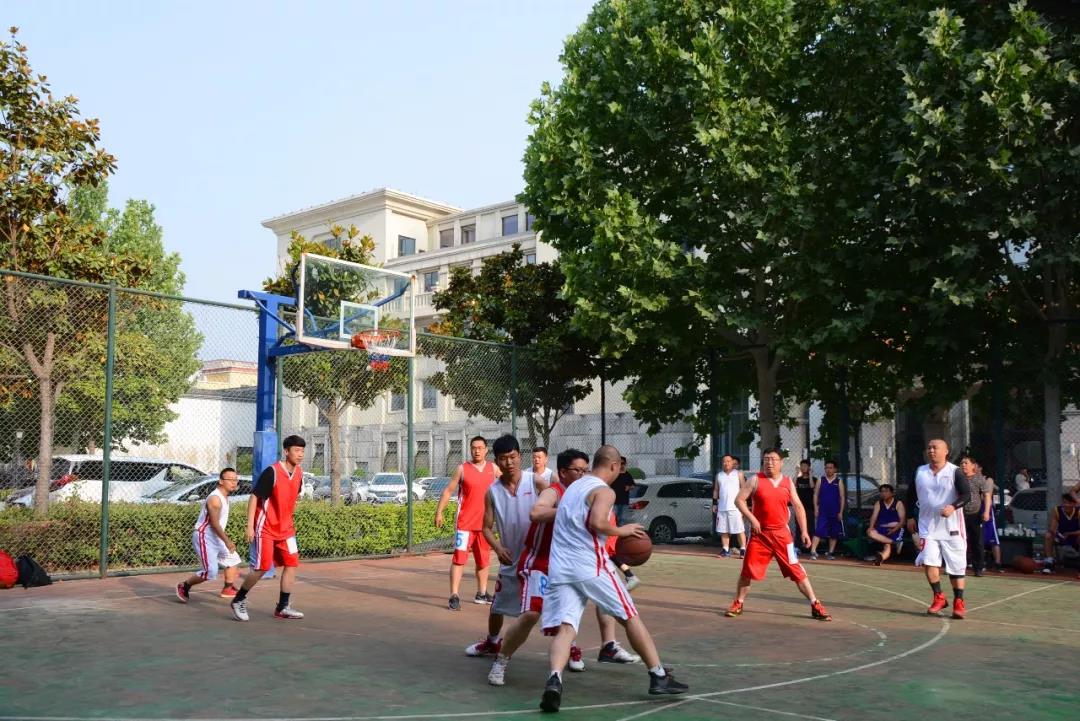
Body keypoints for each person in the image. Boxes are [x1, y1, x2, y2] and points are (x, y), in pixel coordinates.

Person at [538, 445, 688, 712]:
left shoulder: (573, 487)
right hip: (590, 566)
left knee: (567, 628)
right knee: (630, 616)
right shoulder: (604, 491)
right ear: (615, 466)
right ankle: (658, 676)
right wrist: (623, 530)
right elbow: (597, 522)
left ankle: (554, 680)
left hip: (561, 567)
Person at [487, 448, 639, 687]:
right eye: (577, 470)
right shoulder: (555, 491)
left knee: (586, 604)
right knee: (531, 614)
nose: (582, 475)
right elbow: (536, 512)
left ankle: (605, 644)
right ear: (563, 472)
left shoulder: (592, 493)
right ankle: (501, 660)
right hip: (539, 562)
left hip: (569, 563)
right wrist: (568, 510)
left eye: (585, 470)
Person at [724, 449, 832, 622]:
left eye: (773, 459)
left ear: (781, 462)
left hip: (782, 535)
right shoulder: (755, 480)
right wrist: (752, 519)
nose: (769, 463)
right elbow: (739, 500)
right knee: (747, 571)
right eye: (766, 459)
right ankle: (738, 602)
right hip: (760, 536)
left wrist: (804, 531)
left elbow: (798, 507)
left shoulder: (788, 482)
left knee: (797, 571)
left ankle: (815, 604)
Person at [468, 435, 546, 662]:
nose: (509, 462)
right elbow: (485, 527)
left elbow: (558, 504)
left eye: (513, 457)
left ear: (520, 457)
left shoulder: (536, 482)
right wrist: (498, 547)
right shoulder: (492, 491)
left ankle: (571, 648)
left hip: (538, 559)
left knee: (555, 606)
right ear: (497, 461)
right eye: (503, 458)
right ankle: (492, 642)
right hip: (510, 558)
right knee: (497, 607)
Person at [230, 435, 306, 622]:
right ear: (286, 451)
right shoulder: (272, 472)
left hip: (286, 529)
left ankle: (282, 607)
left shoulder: (299, 473)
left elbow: (291, 497)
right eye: (296, 450)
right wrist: (249, 526)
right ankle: (238, 599)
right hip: (266, 528)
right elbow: (254, 497)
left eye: (302, 451)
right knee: (262, 567)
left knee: (291, 564)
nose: (300, 454)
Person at [905, 438, 971, 619]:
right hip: (927, 526)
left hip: (952, 527)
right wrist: (910, 516)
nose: (931, 450)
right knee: (929, 560)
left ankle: (959, 601)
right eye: (929, 448)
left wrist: (953, 507)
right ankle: (939, 597)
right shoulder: (920, 472)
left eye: (935, 448)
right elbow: (910, 495)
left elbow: (966, 495)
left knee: (956, 565)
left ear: (946, 451)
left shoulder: (955, 471)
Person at [436, 435, 497, 610]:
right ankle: (454, 595)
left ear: (486, 450)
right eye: (474, 448)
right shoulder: (462, 469)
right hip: (465, 525)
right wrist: (439, 512)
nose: (477, 451)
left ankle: (482, 593)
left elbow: (508, 484)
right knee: (459, 559)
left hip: (485, 526)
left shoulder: (493, 469)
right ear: (470, 450)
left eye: (480, 448)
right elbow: (448, 491)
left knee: (483, 561)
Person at [176, 468, 243, 603]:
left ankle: (228, 588)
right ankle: (185, 586)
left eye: (235, 479)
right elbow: (214, 523)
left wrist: (224, 541)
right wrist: (227, 541)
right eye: (230, 479)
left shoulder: (225, 496)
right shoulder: (215, 499)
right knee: (211, 572)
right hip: (204, 537)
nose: (234, 482)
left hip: (216, 537)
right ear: (221, 481)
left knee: (233, 559)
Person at [958, 454, 993, 576]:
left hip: (975, 514)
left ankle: (978, 568)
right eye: (962, 463)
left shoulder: (979, 479)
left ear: (973, 466)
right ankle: (957, 566)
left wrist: (986, 511)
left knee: (977, 542)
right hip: (960, 515)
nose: (963, 465)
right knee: (958, 541)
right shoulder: (958, 478)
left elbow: (987, 496)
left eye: (966, 463)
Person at [712, 454, 746, 558]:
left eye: (728, 461)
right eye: (724, 461)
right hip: (722, 508)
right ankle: (725, 550)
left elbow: (744, 490)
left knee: (739, 530)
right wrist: (714, 503)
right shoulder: (719, 475)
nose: (726, 463)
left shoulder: (739, 474)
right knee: (724, 530)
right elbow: (716, 490)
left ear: (732, 463)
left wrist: (744, 507)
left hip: (736, 508)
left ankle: (743, 550)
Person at [810, 459, 845, 560]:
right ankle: (813, 551)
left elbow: (842, 497)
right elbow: (815, 494)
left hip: (835, 511)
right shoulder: (821, 480)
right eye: (826, 468)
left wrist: (841, 512)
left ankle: (830, 552)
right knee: (818, 531)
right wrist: (816, 508)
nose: (828, 470)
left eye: (830, 468)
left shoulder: (839, 481)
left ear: (835, 469)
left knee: (834, 533)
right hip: (823, 511)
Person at [865, 484, 905, 565]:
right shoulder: (878, 503)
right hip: (881, 529)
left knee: (887, 545)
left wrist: (894, 530)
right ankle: (895, 543)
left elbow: (902, 521)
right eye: (882, 492)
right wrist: (871, 527)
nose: (884, 493)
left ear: (892, 493)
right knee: (870, 532)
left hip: (896, 529)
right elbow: (874, 516)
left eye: (886, 491)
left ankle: (881, 558)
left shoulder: (898, 503)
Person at [1041, 494, 1080, 577]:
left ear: (1074, 504)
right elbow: (1052, 527)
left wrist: (1069, 533)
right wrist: (1053, 532)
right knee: (1048, 535)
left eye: (1069, 503)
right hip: (1062, 536)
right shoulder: (1057, 510)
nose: (1066, 505)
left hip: (1075, 536)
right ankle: (1049, 562)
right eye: (1064, 502)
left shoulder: (1078, 512)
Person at [793, 459, 816, 550]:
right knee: (799, 527)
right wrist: (796, 473)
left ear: (809, 468)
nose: (803, 468)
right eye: (802, 466)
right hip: (799, 507)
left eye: (805, 466)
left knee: (810, 527)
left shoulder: (814, 479)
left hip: (810, 507)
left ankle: (809, 547)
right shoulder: (798, 479)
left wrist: (810, 474)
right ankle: (798, 547)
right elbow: (793, 485)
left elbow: (812, 486)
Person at [611, 456, 636, 524]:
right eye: (620, 463)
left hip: (624, 501)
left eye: (623, 463)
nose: (621, 465)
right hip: (614, 501)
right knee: (613, 518)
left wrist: (629, 487)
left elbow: (633, 485)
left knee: (622, 519)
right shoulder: (613, 474)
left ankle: (619, 530)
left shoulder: (627, 474)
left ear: (625, 464)